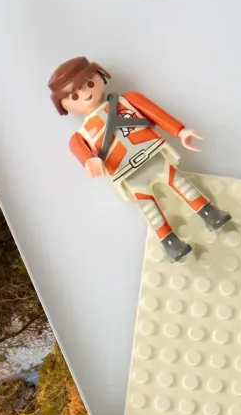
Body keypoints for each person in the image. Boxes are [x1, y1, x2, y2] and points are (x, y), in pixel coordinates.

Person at [49, 56, 230, 262]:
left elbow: (157, 115)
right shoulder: (79, 137)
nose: (86, 93)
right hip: (128, 173)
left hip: (153, 156)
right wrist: (92, 163)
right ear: (63, 105)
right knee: (149, 208)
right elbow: (86, 158)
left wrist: (180, 131)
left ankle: (209, 213)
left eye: (89, 83)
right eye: (73, 96)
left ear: (100, 75)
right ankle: (170, 243)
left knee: (181, 183)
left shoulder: (129, 100)